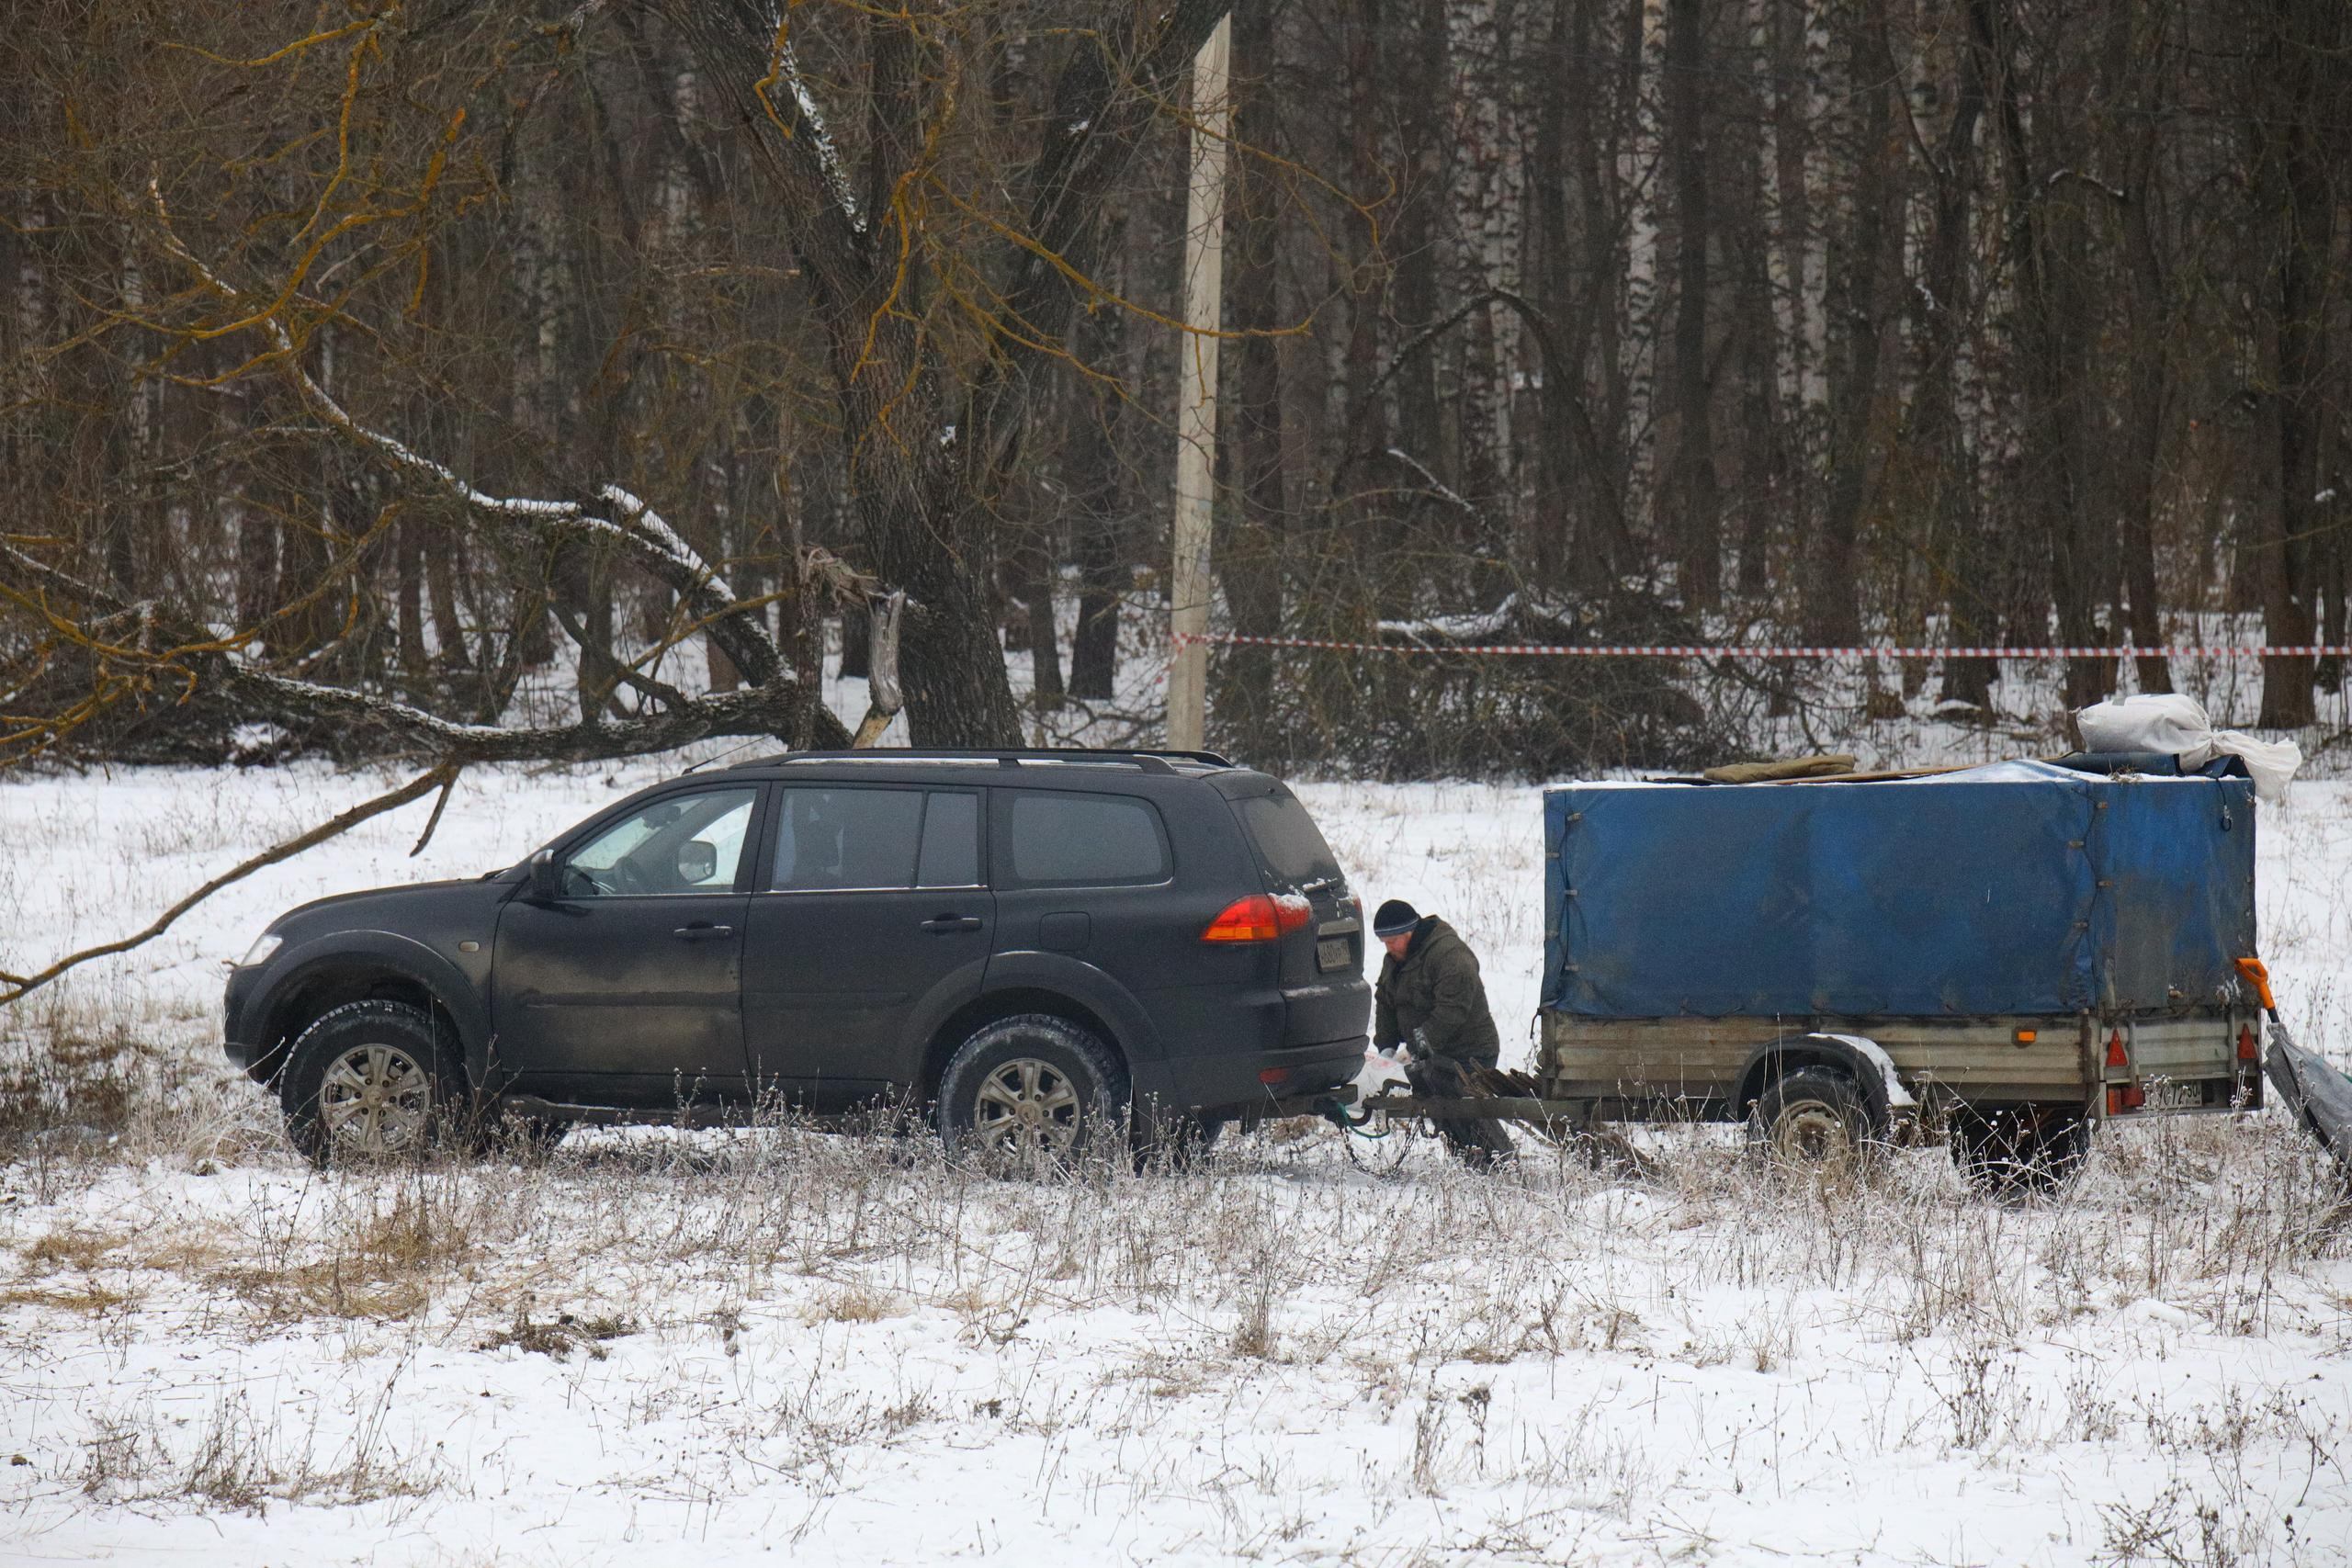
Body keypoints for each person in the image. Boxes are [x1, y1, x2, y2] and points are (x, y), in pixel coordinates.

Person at [1371, 899, 1515, 1167]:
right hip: (1432, 1054)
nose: (1389, 948)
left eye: (1393, 941)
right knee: (1442, 1110)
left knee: (1466, 1110)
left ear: (1409, 933)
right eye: (1384, 943)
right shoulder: (1395, 960)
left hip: (1470, 1052)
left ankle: (1500, 1161)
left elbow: (1452, 1013)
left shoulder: (1450, 956)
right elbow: (1385, 1001)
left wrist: (1415, 1048)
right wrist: (1387, 1047)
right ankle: (1469, 1162)